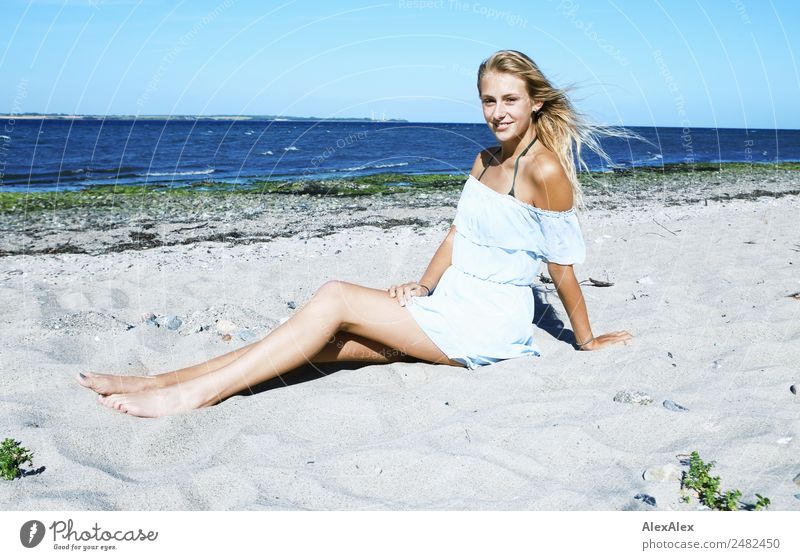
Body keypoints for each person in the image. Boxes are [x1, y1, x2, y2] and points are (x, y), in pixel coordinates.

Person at [77, 50, 632, 418]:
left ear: (535, 101)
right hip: (450, 302)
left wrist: (584, 340)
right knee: (320, 341)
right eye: (488, 99)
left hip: (486, 322)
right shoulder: (483, 158)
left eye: (509, 99)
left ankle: (193, 396)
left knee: (336, 296)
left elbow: (561, 267)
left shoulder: (545, 170)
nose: (497, 111)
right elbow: (458, 232)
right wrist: (421, 284)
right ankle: (161, 381)